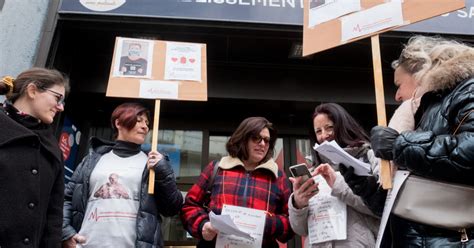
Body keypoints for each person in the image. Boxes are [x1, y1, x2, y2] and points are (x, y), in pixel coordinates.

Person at [368, 36, 474, 247]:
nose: (397, 96)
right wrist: (362, 185)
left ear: (419, 71)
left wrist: (399, 145)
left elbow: (470, 150)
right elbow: (406, 201)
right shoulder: (425, 110)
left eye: (399, 84)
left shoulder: (466, 91)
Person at [62, 102, 183, 248]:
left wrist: (164, 172)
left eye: (147, 122)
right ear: (118, 123)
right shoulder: (92, 160)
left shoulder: (152, 163)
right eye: (139, 121)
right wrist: (66, 233)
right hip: (87, 243)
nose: (145, 126)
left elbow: (172, 208)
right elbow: (67, 199)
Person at [180, 117, 294, 247]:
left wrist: (265, 223)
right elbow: (189, 206)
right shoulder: (217, 169)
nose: (262, 144)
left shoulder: (278, 176)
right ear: (243, 139)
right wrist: (203, 225)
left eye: (267, 140)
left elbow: (292, 223)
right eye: (256, 138)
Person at [288, 103, 380, 247]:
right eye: (318, 131)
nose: (324, 135)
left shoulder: (369, 158)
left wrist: (337, 184)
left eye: (329, 127)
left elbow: (380, 208)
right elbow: (300, 229)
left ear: (343, 126)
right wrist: (298, 204)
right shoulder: (314, 172)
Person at [0, 68, 69, 247]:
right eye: (57, 98)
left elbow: (54, 216)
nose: (60, 107)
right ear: (32, 91)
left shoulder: (53, 148)